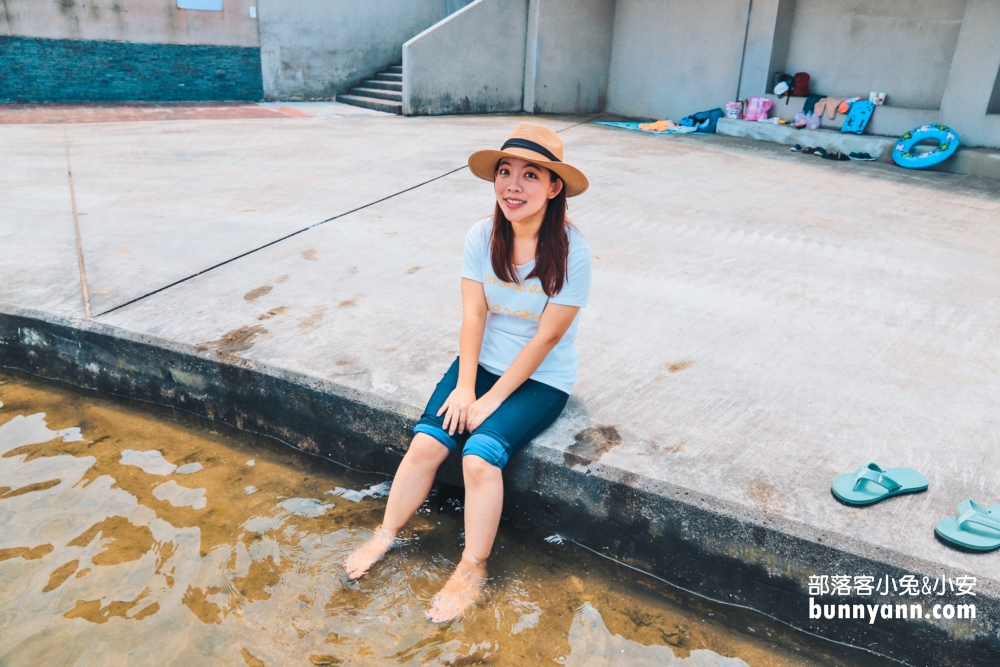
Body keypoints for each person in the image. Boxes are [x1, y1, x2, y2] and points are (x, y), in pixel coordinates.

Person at [344, 122, 592, 622]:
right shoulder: (482, 235)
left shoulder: (573, 251)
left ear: (553, 187)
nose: (513, 186)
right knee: (427, 444)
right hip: (477, 366)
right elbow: (474, 315)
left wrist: (489, 400)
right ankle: (384, 535)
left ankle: (472, 567)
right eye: (505, 172)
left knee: (479, 458)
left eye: (530, 175)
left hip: (541, 379)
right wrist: (463, 386)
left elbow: (546, 338)